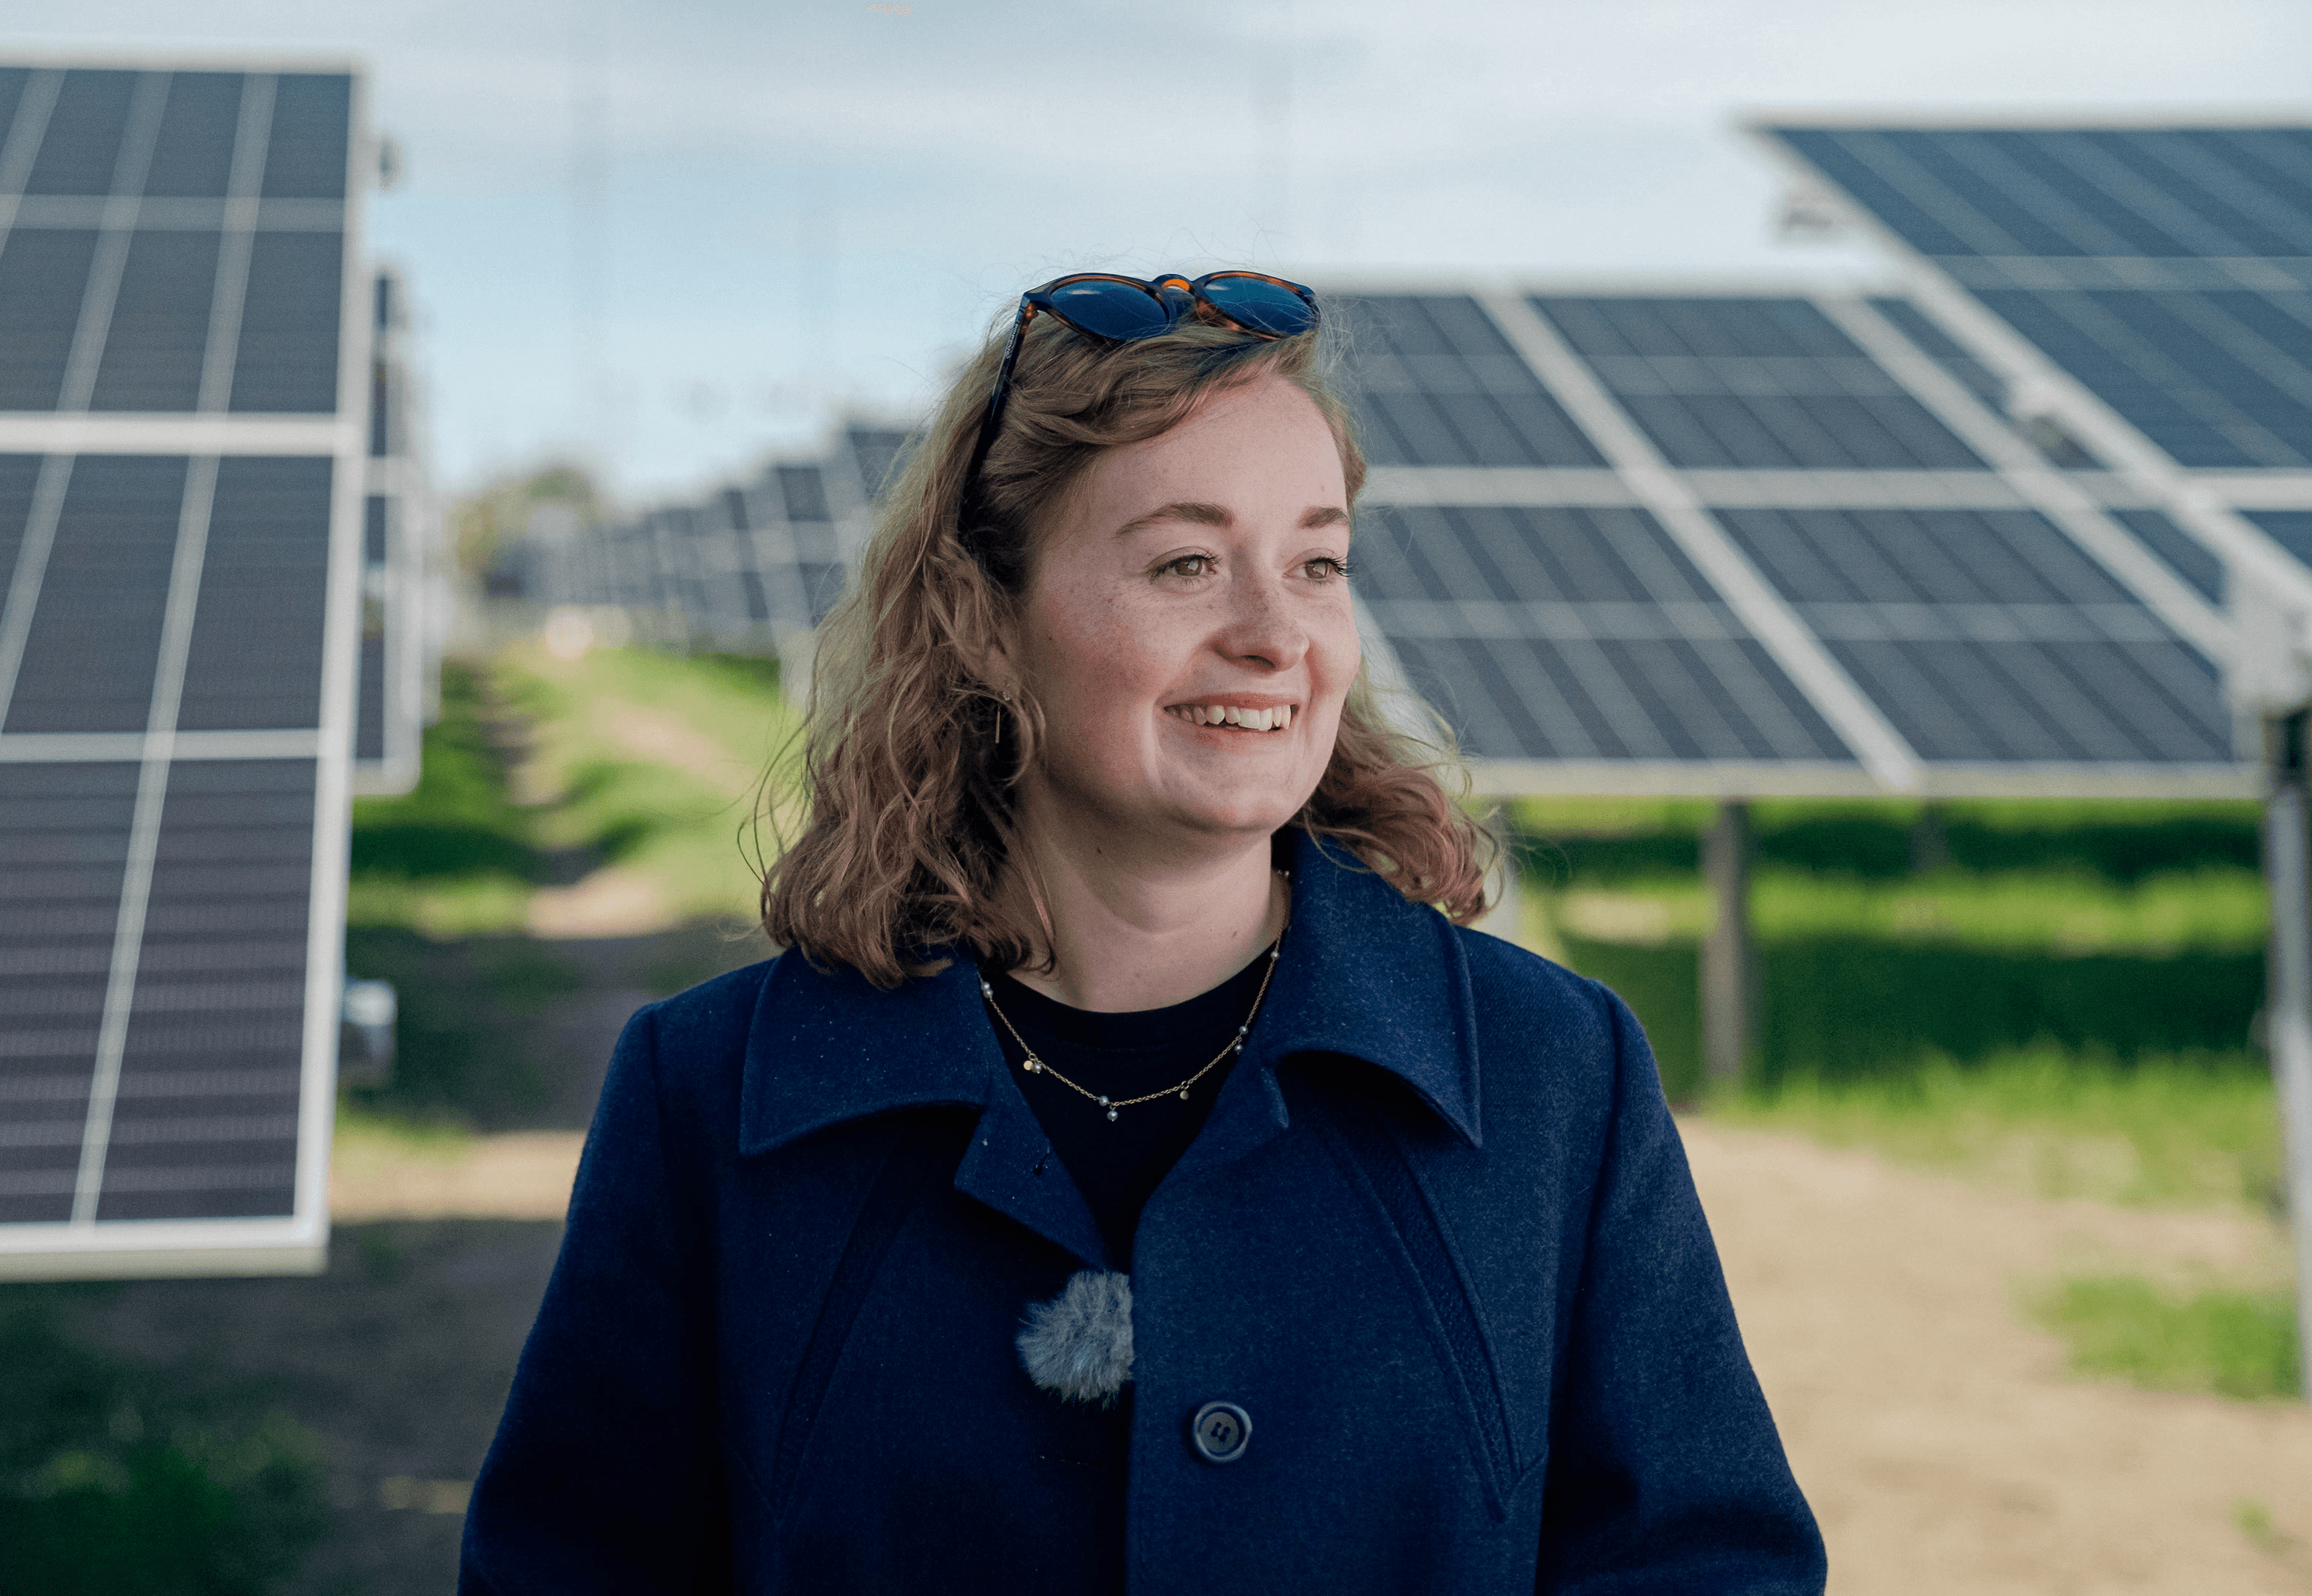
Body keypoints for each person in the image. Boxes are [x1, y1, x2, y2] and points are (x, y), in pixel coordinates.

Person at [460, 271, 1825, 1594]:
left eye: (1316, 562)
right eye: (1185, 562)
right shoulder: (708, 1096)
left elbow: (1703, 1564)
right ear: (987, 626)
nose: (1275, 635)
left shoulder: (1552, 1076)